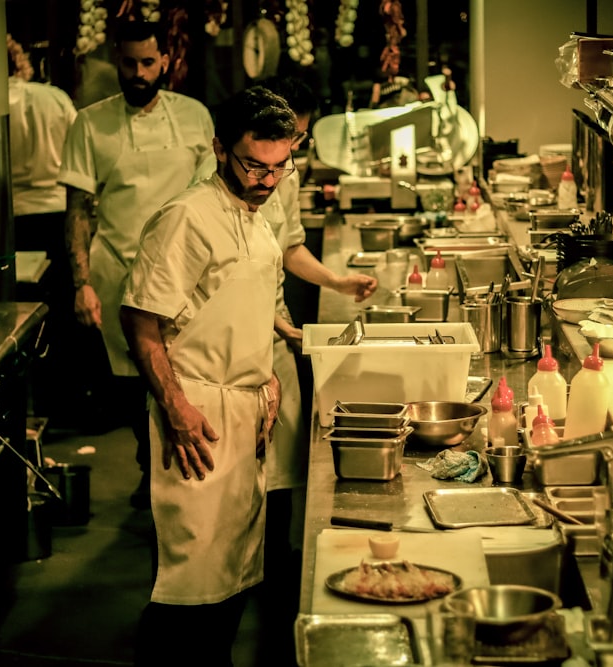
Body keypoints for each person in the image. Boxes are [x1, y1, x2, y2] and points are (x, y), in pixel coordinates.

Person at [120, 85, 294, 667]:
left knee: (231, 582)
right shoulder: (187, 218)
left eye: (280, 166)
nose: (268, 179)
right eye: (254, 164)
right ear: (220, 149)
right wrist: (175, 406)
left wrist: (269, 373)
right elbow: (141, 319)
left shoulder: (258, 218)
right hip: (198, 415)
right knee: (188, 589)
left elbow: (241, 298)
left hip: (246, 413)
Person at [58, 19, 215, 510]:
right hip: (118, 272)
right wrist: (81, 283)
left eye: (149, 63)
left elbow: (211, 200)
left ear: (165, 61)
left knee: (184, 375)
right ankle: (151, 473)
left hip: (186, 273)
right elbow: (79, 208)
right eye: (130, 63)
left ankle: (176, 475)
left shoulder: (194, 117)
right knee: (132, 385)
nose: (140, 73)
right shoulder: (90, 123)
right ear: (116, 60)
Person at [255, 74, 377, 666]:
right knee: (249, 489)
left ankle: (279, 600)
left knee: (282, 481)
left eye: (300, 141)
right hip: (237, 339)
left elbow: (286, 245)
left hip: (271, 329)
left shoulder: (286, 170)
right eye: (292, 137)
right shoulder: (241, 171)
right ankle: (263, 610)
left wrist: (338, 279)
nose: (293, 154)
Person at [6, 34, 80, 423]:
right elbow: (79, 154)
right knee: (61, 313)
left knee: (21, 314)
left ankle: (26, 404)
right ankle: (62, 404)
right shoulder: (54, 99)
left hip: (11, 218)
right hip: (56, 212)